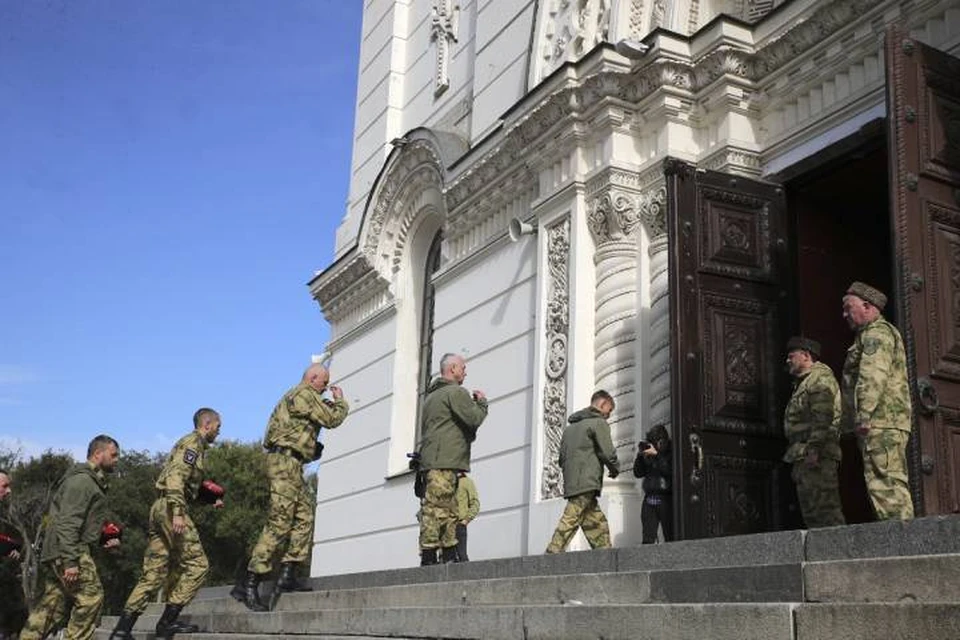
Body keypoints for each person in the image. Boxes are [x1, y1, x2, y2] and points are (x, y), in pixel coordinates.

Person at [236, 364, 349, 611]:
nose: (325, 388)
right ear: (312, 378)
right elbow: (332, 419)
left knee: (304, 517)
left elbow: (301, 428)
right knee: (280, 521)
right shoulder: (304, 393)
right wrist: (340, 402)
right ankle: (249, 582)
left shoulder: (300, 396)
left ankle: (289, 574)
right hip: (284, 463)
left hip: (292, 463)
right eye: (324, 382)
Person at [110, 409, 224, 639]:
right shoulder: (193, 444)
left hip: (161, 507)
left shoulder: (192, 445)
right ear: (208, 424)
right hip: (170, 509)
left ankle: (122, 630)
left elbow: (187, 484)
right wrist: (179, 513)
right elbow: (175, 478)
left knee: (153, 573)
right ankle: (166, 623)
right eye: (218, 427)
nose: (219, 432)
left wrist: (208, 498)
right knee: (198, 565)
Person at [20, 435, 120, 640]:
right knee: (91, 597)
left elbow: (79, 523)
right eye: (113, 454)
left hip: (58, 550)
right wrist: (71, 561)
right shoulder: (82, 481)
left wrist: (103, 539)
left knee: (51, 606)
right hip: (69, 551)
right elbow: (68, 522)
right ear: (98, 454)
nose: (117, 459)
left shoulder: (87, 481)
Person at [841, 281, 914, 520]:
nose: (844, 315)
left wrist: (864, 414)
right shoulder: (872, 334)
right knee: (886, 482)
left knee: (886, 485)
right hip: (883, 421)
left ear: (867, 306)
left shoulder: (876, 334)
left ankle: (903, 546)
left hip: (880, 422)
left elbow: (873, 376)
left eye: (848, 308)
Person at [417, 353, 488, 566]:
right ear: (453, 369)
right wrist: (482, 403)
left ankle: (448, 553)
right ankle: (430, 557)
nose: (465, 372)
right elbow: (473, 418)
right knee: (436, 510)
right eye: (463, 368)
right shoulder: (455, 392)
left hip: (436, 460)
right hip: (444, 461)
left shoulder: (431, 397)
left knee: (449, 509)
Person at [546, 390, 619, 553]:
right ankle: (551, 554)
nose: (609, 415)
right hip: (587, 480)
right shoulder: (598, 423)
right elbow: (607, 452)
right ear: (603, 404)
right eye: (610, 410)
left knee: (596, 522)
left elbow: (561, 457)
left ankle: (605, 554)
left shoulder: (569, 429)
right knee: (570, 519)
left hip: (572, 481)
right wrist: (615, 468)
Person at [783, 336, 845, 528]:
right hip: (804, 454)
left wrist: (814, 449)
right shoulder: (804, 382)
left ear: (805, 356)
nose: (787, 360)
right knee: (813, 513)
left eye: (791, 356)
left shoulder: (819, 379)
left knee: (826, 511)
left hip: (817, 455)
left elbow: (823, 417)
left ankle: (838, 554)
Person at [632, 424, 673, 543]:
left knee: (670, 535)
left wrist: (658, 456)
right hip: (649, 498)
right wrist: (640, 456)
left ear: (661, 441)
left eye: (654, 442)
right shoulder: (648, 454)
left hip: (666, 499)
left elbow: (669, 471)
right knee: (648, 537)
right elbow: (638, 473)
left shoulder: (670, 452)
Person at [454, 471, 479, 562]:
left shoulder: (466, 482)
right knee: (446, 559)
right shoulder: (447, 484)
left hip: (459, 525)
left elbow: (475, 503)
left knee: (462, 556)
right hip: (446, 526)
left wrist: (466, 520)